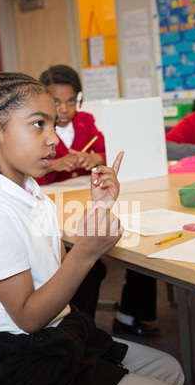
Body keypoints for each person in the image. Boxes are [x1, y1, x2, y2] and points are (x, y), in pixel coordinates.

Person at [0, 71, 187, 385]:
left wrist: (99, 210)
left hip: (54, 336)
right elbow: (29, 317)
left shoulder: (30, 192)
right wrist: (86, 251)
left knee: (169, 370)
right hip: (17, 364)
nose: (53, 139)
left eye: (53, 124)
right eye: (38, 125)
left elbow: (53, 272)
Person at [38, 64, 160, 338]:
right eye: (56, 102)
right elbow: (29, 170)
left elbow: (108, 149)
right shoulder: (38, 127)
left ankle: (129, 315)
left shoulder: (86, 122)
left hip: (87, 201)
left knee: (141, 242)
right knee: (87, 262)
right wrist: (55, 164)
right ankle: (79, 329)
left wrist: (96, 159)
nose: (65, 109)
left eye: (71, 101)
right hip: (54, 208)